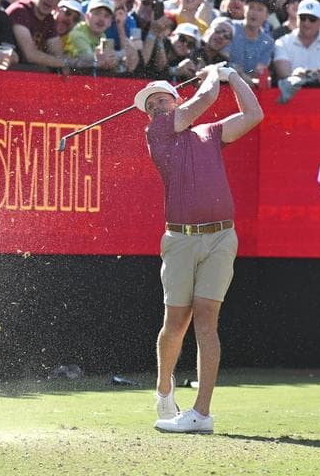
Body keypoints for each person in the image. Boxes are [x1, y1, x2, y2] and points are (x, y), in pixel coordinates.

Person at [139, 62, 263, 434]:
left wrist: (235, 77)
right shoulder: (157, 132)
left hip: (222, 236)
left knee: (207, 320)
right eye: (151, 105)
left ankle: (201, 414)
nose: (158, 107)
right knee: (176, 322)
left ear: (175, 99)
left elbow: (254, 115)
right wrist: (214, 75)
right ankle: (165, 388)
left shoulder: (210, 133)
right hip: (179, 239)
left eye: (163, 100)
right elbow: (205, 97)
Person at [274, 0, 320, 103]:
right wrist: (317, 75)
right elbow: (283, 73)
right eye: (303, 18)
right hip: (292, 104)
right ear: (297, 18)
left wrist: (303, 76)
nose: (306, 23)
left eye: (312, 19)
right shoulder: (282, 42)